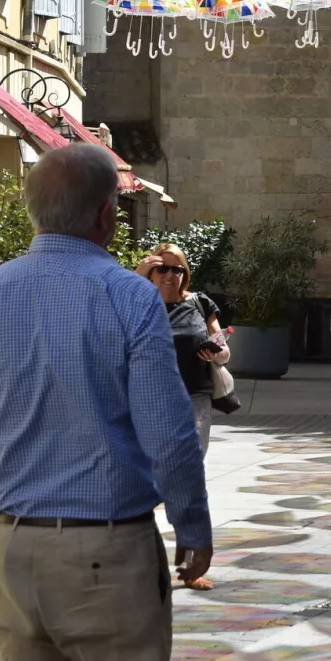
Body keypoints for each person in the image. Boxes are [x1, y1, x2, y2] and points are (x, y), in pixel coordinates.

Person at [0, 143, 210, 661]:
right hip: (108, 550)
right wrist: (191, 525)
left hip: (12, 545)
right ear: (107, 214)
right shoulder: (130, 297)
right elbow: (167, 431)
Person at [137, 244, 225, 590]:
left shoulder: (199, 303)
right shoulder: (138, 303)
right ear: (150, 272)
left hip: (193, 398)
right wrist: (137, 278)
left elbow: (220, 340)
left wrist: (219, 351)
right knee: (145, 481)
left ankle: (191, 565)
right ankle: (142, 562)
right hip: (146, 400)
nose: (171, 276)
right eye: (163, 269)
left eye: (178, 270)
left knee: (188, 479)